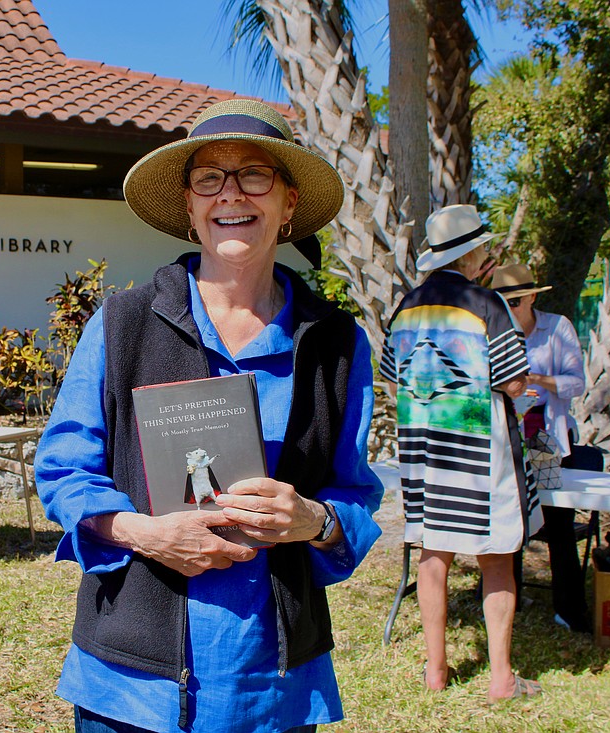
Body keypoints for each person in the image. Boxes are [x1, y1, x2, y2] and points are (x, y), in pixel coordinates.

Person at [34, 98, 383, 733]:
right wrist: (143, 532)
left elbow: (355, 494)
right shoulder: (122, 325)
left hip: (272, 685)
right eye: (209, 178)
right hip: (133, 682)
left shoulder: (335, 344)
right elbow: (64, 471)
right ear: (190, 206)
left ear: (289, 202)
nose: (231, 193)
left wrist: (313, 519)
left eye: (255, 174)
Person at [380, 204, 543, 701]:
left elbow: (392, 379)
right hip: (480, 453)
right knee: (496, 560)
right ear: (472, 255)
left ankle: (436, 670)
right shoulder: (485, 303)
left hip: (426, 452)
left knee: (434, 555)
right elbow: (513, 382)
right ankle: (501, 679)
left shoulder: (406, 306)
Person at [492, 262, 590, 632]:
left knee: (559, 522)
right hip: (505, 436)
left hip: (545, 436)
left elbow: (576, 382)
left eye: (515, 301)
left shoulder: (557, 327)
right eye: (502, 301)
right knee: (508, 517)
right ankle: (507, 602)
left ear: (532, 296)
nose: (510, 308)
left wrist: (537, 380)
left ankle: (569, 608)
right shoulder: (493, 331)